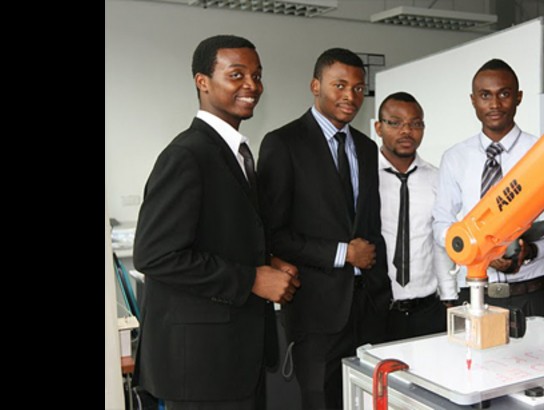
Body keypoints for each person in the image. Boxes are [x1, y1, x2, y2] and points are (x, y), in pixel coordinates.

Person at [132, 34, 300, 410]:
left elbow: (220, 236)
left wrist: (266, 262)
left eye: (257, 76)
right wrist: (252, 279)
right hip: (202, 368)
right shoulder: (187, 155)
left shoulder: (236, 152)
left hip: (235, 358)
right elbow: (155, 255)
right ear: (202, 81)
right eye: (236, 74)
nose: (252, 86)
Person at [257, 47, 390, 410]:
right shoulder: (283, 144)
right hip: (317, 312)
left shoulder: (365, 147)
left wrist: (380, 289)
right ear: (316, 86)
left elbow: (369, 224)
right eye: (340, 85)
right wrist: (342, 254)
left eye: (359, 88)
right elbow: (273, 233)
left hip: (368, 309)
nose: (351, 96)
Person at [432, 58, 544, 319]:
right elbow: (441, 225)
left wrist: (530, 252)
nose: (494, 105)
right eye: (485, 95)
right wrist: (478, 251)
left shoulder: (542, 153)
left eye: (504, 94)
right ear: (473, 100)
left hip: (531, 296)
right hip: (473, 297)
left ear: (518, 97)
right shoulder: (455, 157)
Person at [374, 92, 458, 342]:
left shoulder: (437, 178)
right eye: (395, 122)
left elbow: (439, 242)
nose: (406, 131)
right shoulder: (364, 177)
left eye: (415, 123)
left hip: (428, 310)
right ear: (379, 128)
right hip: (376, 311)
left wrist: (450, 298)